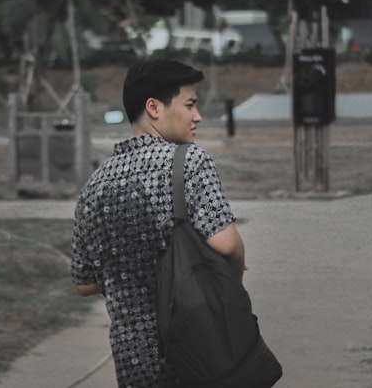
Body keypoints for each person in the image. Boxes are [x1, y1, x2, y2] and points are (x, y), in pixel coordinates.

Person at [71, 58, 246, 387]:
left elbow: (83, 284)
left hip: (134, 365)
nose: (198, 116)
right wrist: (232, 281)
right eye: (190, 104)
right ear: (153, 107)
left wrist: (130, 276)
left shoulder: (94, 185)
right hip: (198, 353)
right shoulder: (189, 161)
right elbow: (225, 243)